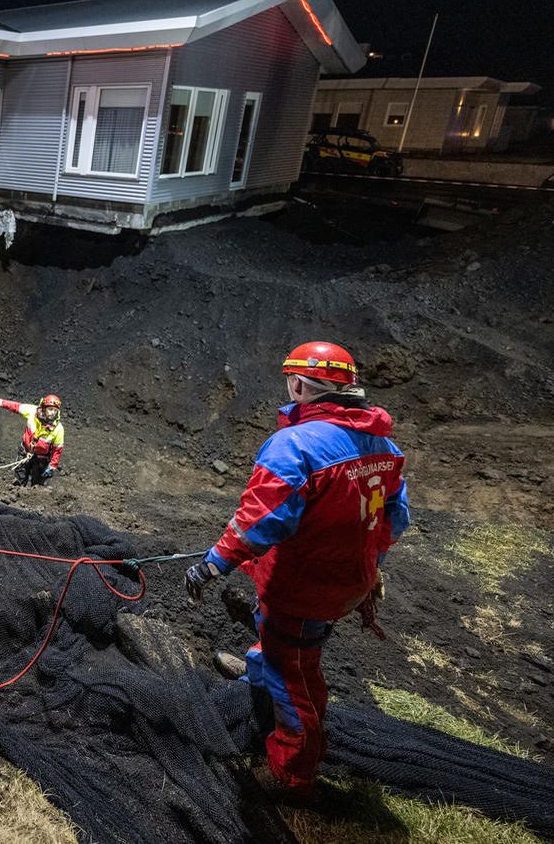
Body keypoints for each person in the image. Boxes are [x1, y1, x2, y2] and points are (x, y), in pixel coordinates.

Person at [185, 341, 410, 802]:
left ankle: (293, 772)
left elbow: (260, 521)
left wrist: (213, 564)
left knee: (297, 675)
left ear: (300, 383)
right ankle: (256, 674)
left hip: (305, 585)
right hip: (347, 580)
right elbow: (396, 516)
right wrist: (371, 563)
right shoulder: (383, 444)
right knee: (279, 638)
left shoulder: (296, 445)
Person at [0, 393, 65, 485]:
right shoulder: (32, 411)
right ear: (44, 408)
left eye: (55, 410)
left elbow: (57, 450)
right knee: (19, 479)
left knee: (37, 485)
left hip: (41, 459)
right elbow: (15, 406)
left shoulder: (58, 429)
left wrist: (52, 466)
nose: (52, 413)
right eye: (50, 409)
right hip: (25, 452)